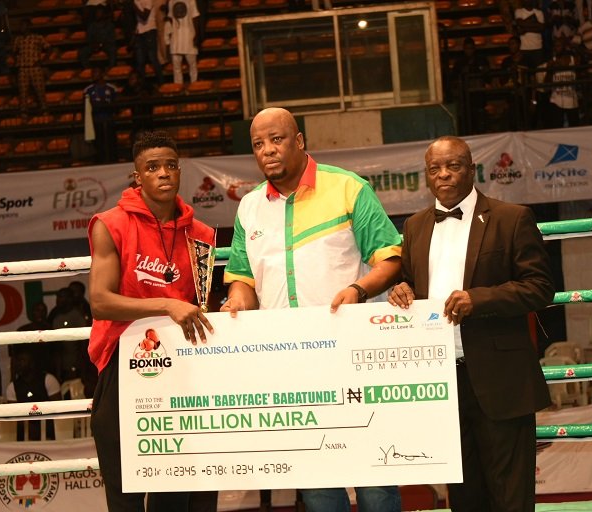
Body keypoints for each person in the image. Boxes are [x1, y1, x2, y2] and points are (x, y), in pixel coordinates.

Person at [221, 107, 402, 512]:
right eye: (257, 144)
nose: (267, 150)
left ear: (299, 141)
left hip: (354, 357)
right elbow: (244, 280)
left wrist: (358, 288)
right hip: (287, 365)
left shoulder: (348, 188)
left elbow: (390, 258)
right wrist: (234, 301)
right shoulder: (249, 207)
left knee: (375, 476)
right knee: (317, 484)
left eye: (277, 139)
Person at [388, 136, 554, 512]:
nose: (444, 174)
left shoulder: (513, 217)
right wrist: (402, 291)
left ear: (471, 169)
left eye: (454, 166)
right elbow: (415, 285)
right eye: (435, 168)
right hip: (441, 380)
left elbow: (541, 288)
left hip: (501, 377)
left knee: (510, 496)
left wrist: (478, 299)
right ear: (427, 176)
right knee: (464, 497)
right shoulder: (414, 227)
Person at [88, 130, 217, 512]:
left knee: (184, 490)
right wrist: (166, 305)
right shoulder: (110, 224)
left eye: (171, 165)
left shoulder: (202, 235)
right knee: (124, 492)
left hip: (183, 369)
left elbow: (200, 305)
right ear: (137, 176)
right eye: (153, 167)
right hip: (122, 364)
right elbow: (99, 301)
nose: (164, 173)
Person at [6, 346, 61, 441]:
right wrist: (28, 426)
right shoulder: (12, 387)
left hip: (48, 426)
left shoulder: (48, 380)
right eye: (17, 361)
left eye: (22, 360)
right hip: (24, 429)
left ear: (32, 363)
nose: (18, 364)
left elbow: (58, 410)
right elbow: (13, 416)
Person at [12, 20, 50, 120]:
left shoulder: (37, 37)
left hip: (35, 67)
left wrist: (42, 61)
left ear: (28, 27)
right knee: (23, 92)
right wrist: (17, 61)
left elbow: (48, 48)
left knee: (40, 90)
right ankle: (24, 113)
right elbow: (14, 52)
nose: (21, 28)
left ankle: (44, 110)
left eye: (23, 25)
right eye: (20, 26)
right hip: (22, 68)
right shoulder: (18, 39)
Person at [84, 66, 119, 164]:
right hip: (95, 123)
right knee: (99, 147)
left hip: (109, 121)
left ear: (102, 74)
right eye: (92, 73)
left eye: (96, 72)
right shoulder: (88, 90)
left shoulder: (112, 88)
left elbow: (117, 106)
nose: (93, 75)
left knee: (111, 145)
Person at [167, 0, 200, 84]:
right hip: (176, 39)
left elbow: (195, 18)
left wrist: (196, 35)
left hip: (189, 36)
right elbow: (170, 19)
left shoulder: (191, 1)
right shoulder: (171, 1)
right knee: (176, 68)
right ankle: (178, 87)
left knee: (192, 65)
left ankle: (194, 85)